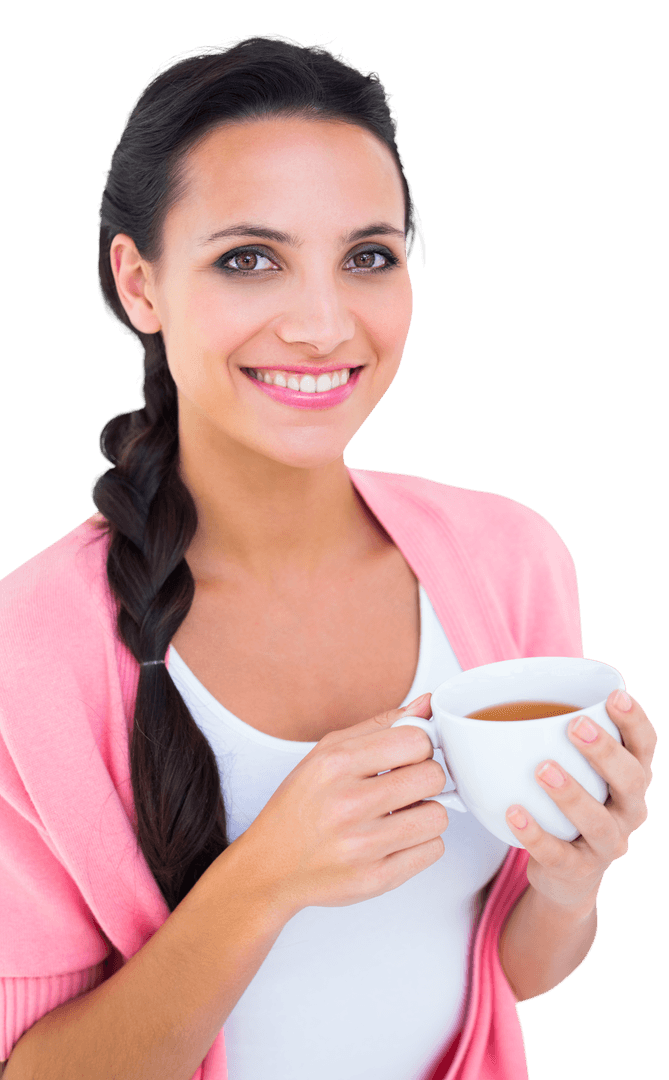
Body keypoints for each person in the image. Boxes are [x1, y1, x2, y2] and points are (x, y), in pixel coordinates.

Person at [0, 33, 656, 1080]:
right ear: (139, 284)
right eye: (248, 258)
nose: (322, 322)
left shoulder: (511, 560)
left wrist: (575, 879)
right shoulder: (27, 652)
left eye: (368, 256)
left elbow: (501, 974)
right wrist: (264, 879)